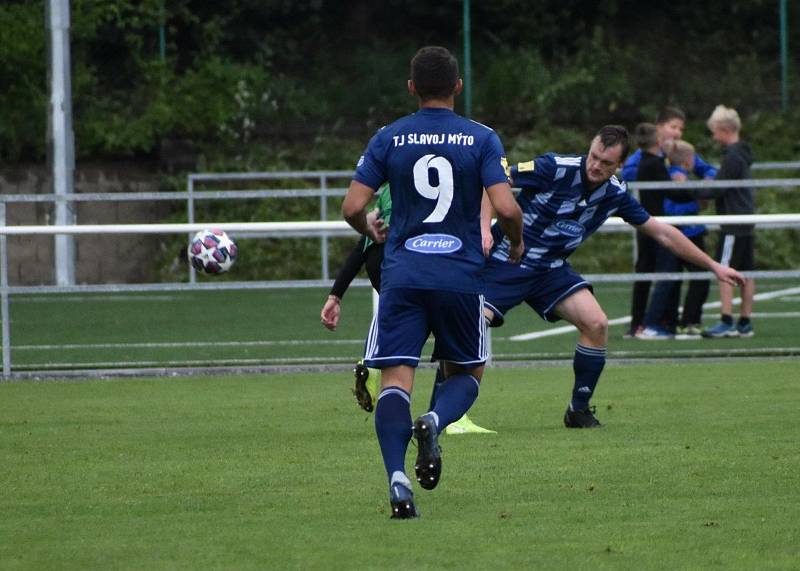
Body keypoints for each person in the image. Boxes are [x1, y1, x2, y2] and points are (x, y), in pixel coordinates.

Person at [341, 46, 524, 519]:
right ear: (458, 87)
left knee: (395, 382)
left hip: (402, 276)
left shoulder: (388, 137)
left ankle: (397, 480)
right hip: (459, 277)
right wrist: (516, 242)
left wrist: (370, 229)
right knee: (466, 373)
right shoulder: (481, 138)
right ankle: (437, 419)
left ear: (411, 88)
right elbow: (505, 208)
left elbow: (351, 208)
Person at [481, 125, 745, 428]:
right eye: (594, 157)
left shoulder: (616, 193)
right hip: (505, 261)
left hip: (550, 270)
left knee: (596, 324)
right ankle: (449, 415)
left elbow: (662, 233)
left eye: (606, 163)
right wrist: (482, 227)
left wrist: (714, 266)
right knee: (472, 326)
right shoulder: (554, 167)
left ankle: (578, 410)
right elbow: (494, 179)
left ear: (619, 165)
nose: (596, 166)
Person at [320, 185, 495, 434]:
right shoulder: (446, 168)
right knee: (446, 330)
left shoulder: (392, 173)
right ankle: (447, 415)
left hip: (378, 254)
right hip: (420, 254)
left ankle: (371, 364)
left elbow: (362, 235)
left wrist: (336, 294)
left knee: (398, 314)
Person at [623, 107, 717, 336]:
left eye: (680, 129)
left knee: (676, 274)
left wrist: (702, 189)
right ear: (659, 127)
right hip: (651, 224)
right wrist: (670, 181)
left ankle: (672, 322)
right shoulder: (649, 156)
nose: (677, 133)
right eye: (673, 127)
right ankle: (639, 323)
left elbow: (708, 170)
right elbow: (630, 174)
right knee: (647, 273)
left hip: (680, 224)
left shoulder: (680, 151)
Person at [638, 140, 710, 339]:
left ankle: (678, 322)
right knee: (673, 279)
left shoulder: (681, 177)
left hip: (685, 234)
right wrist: (696, 202)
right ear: (688, 161)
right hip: (677, 236)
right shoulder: (673, 179)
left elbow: (710, 173)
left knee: (678, 279)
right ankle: (663, 323)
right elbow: (671, 208)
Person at [700, 105, 756, 338]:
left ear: (724, 129)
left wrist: (695, 192)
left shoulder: (733, 155)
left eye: (715, 131)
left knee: (724, 268)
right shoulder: (741, 153)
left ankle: (727, 320)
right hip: (745, 219)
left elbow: (719, 189)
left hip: (733, 221)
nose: (713, 136)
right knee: (747, 270)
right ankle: (745, 321)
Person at [626, 123, 670, 336]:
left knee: (646, 270)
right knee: (657, 271)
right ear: (658, 140)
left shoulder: (647, 161)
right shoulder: (652, 163)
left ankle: (641, 322)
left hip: (646, 222)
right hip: (652, 224)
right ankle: (647, 323)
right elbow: (669, 191)